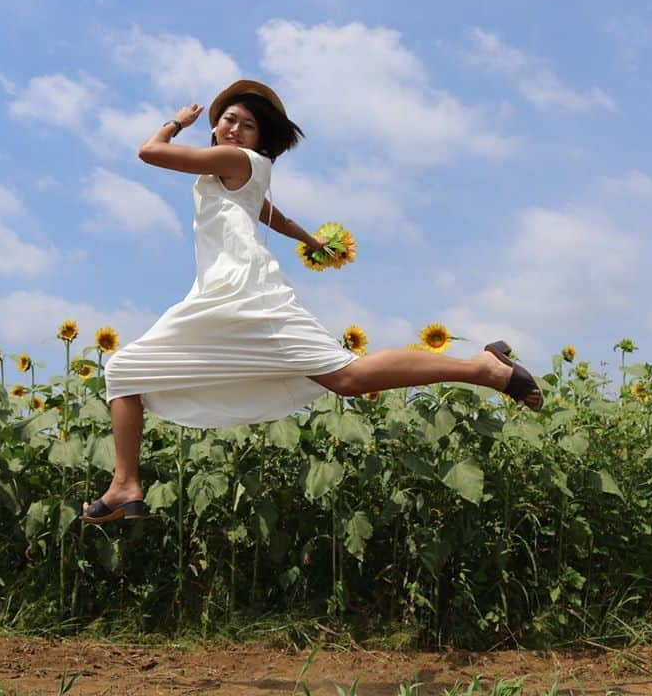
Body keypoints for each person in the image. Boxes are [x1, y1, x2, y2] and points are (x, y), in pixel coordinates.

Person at [82, 80, 542, 524]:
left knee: (345, 375)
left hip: (246, 296)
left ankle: (480, 369)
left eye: (247, 125)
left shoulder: (234, 158)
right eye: (228, 119)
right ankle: (125, 485)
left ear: (259, 140)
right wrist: (311, 239)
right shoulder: (236, 172)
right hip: (219, 297)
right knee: (124, 370)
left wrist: (176, 122)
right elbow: (270, 213)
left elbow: (149, 151)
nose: (234, 129)